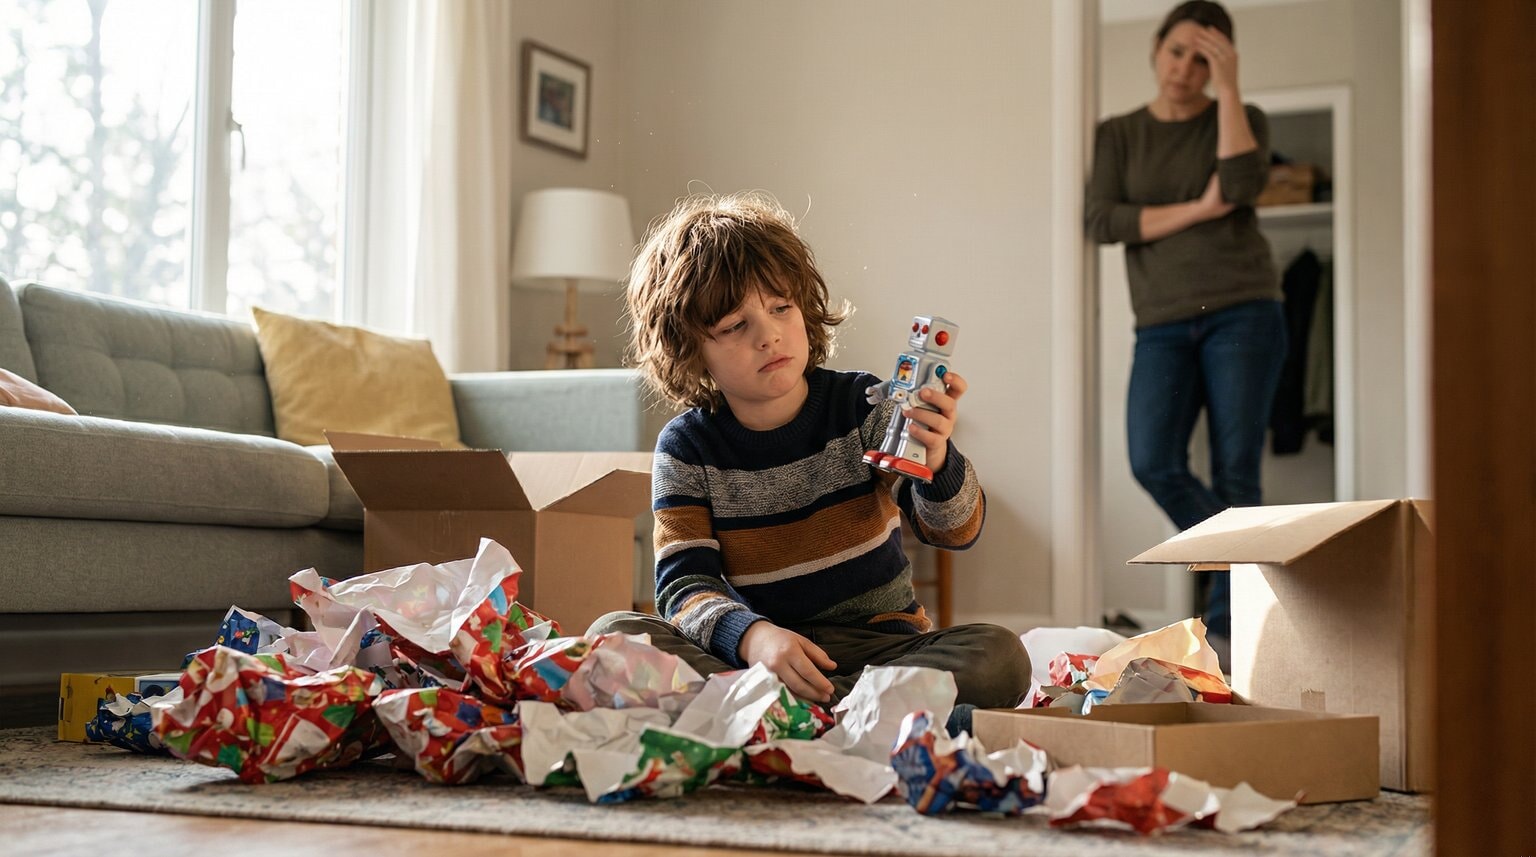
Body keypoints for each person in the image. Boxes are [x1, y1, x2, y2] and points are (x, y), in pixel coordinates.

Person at [587, 192, 1030, 734]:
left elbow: (955, 532)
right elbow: (684, 586)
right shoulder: (686, 447)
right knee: (612, 637)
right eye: (734, 325)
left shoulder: (864, 405)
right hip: (762, 654)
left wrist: (936, 460)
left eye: (780, 308)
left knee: (1000, 655)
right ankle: (863, 719)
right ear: (688, 348)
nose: (768, 334)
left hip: (882, 650)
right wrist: (753, 638)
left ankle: (794, 719)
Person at [1084, 0, 1286, 649]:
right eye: (1178, 52)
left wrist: (1229, 89)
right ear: (1155, 49)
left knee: (1237, 472)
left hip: (1245, 310)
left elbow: (1242, 182)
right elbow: (1103, 221)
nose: (1186, 68)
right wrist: (1200, 207)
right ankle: (1256, 562)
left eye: (1204, 60)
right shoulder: (1118, 133)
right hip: (1164, 322)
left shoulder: (1241, 117)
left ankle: (1230, 627)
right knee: (1153, 458)